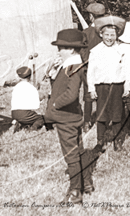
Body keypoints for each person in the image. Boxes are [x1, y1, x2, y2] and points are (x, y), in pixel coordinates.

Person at [43, 29, 94, 205]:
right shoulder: (71, 66)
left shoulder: (73, 67)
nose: (59, 51)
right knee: (78, 152)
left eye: (62, 48)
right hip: (71, 117)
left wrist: (55, 105)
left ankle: (75, 194)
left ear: (72, 50)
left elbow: (71, 95)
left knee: (71, 157)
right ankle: (86, 183)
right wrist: (52, 73)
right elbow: (59, 87)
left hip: (66, 119)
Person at [88, 15, 130, 151]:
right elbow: (91, 71)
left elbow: (126, 69)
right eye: (107, 35)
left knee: (117, 115)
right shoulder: (95, 51)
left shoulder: (121, 50)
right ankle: (100, 142)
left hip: (117, 86)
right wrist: (91, 88)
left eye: (112, 35)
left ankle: (118, 141)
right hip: (101, 87)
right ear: (101, 34)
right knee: (101, 115)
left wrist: (127, 86)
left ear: (117, 35)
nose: (109, 38)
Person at [80, 3, 105, 133]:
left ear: (91, 17)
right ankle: (102, 121)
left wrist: (87, 63)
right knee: (103, 94)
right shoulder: (107, 32)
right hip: (104, 69)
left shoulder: (85, 33)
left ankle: (86, 122)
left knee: (88, 96)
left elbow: (83, 52)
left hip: (88, 69)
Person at [11, 66, 44, 132]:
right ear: (30, 76)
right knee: (40, 118)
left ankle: (18, 122)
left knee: (28, 117)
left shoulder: (16, 87)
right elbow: (36, 106)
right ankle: (32, 129)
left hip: (14, 113)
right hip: (24, 113)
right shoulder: (32, 88)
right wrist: (40, 100)